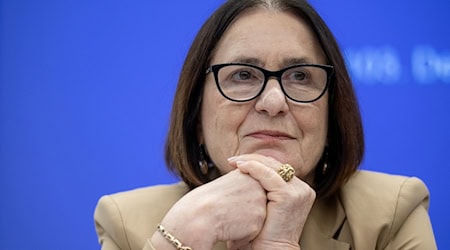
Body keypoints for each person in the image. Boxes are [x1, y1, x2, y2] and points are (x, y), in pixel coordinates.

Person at [94, 0, 437, 249]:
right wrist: (178, 239)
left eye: (300, 76)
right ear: (196, 114)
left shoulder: (390, 214)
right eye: (243, 75)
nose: (273, 103)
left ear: (332, 116)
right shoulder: (129, 222)